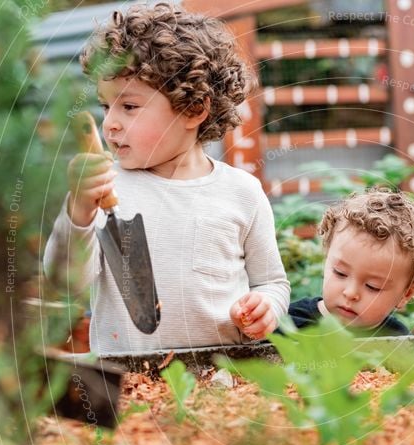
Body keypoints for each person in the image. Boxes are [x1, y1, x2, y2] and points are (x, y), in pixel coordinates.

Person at [43, 4, 290, 355]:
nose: (109, 123)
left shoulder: (241, 193)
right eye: (105, 106)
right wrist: (80, 211)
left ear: (193, 110)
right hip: (130, 384)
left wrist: (266, 306)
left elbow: (272, 282)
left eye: (128, 107)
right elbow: (64, 282)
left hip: (223, 381)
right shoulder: (104, 188)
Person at [288, 188, 414, 337]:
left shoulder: (394, 338)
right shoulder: (289, 323)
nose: (351, 293)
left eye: (373, 286)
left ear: (407, 294)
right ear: (326, 260)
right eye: (340, 273)